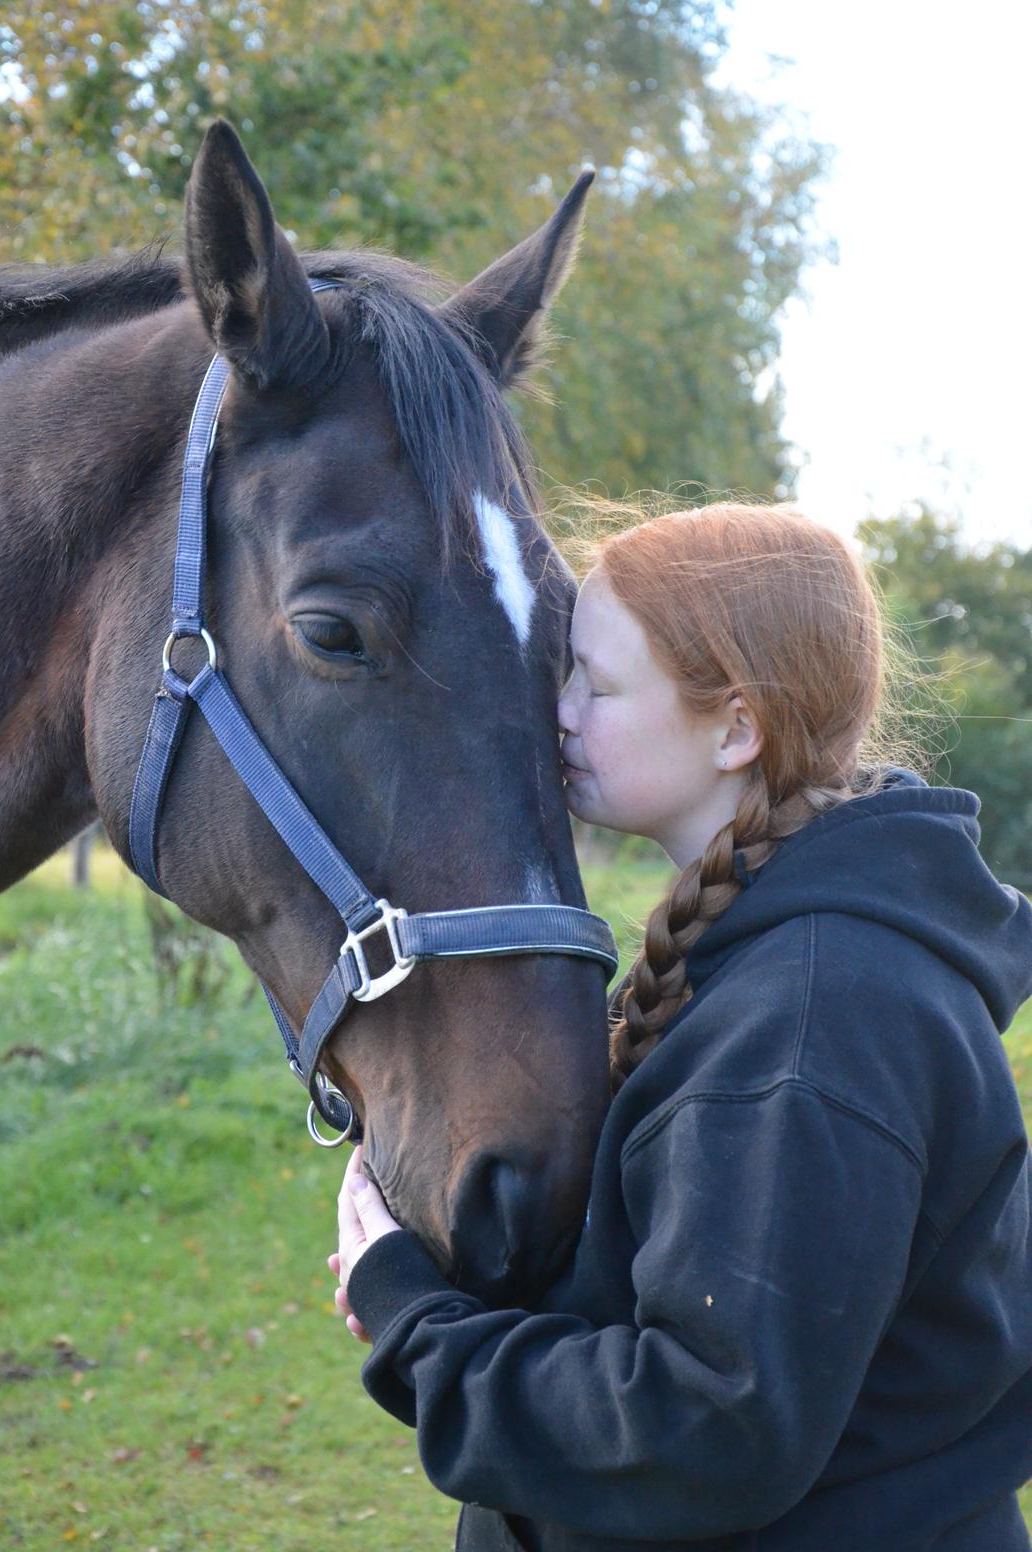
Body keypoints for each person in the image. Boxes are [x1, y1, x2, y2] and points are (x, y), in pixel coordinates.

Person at [328, 501, 1032, 1551]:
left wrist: (416, 1325)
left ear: (736, 726)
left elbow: (705, 1430)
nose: (553, 710)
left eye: (595, 684)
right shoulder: (759, 956)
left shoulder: (812, 1020)